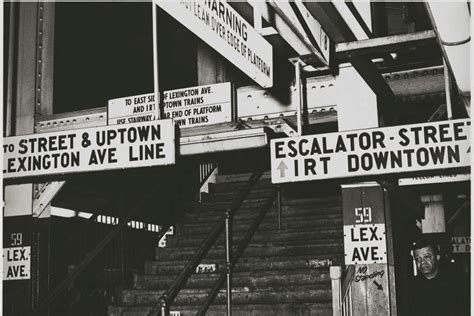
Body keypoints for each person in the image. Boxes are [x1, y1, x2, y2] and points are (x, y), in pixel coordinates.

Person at [405, 238, 469, 316]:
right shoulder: (410, 287)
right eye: (418, 259)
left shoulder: (456, 283)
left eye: (427, 257)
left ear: (437, 257)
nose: (422, 262)